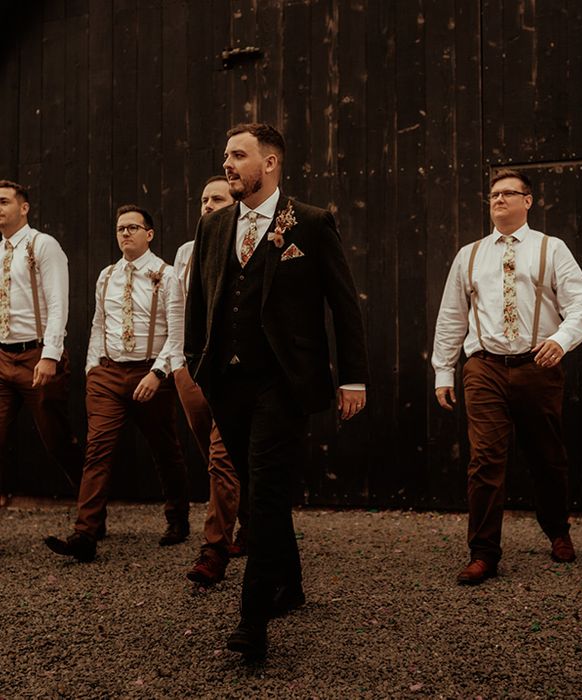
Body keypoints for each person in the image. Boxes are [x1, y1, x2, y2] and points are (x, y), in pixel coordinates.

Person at [185, 123, 368, 660]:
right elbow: (200, 301)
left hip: (283, 384)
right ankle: (289, 582)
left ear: (269, 164)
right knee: (257, 487)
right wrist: (200, 365)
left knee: (262, 497)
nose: (227, 163)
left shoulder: (309, 223)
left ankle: (252, 621)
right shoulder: (214, 227)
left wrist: (352, 377)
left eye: (238, 155)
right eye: (224, 155)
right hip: (227, 382)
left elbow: (344, 304)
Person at [432, 168, 582, 585]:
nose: (499, 200)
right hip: (483, 366)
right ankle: (483, 552)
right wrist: (442, 370)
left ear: (529, 201)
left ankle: (558, 531)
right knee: (484, 460)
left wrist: (561, 339)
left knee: (546, 456)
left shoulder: (551, 249)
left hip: (537, 366)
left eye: (508, 194)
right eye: (493, 195)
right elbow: (451, 316)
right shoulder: (469, 254)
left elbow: (580, 304)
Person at [45, 204, 190, 562]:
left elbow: (178, 333)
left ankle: (178, 519)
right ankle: (85, 534)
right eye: (121, 228)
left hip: (151, 372)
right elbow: (98, 324)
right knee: (98, 450)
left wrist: (158, 374)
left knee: (165, 448)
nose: (125, 233)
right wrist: (93, 366)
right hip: (108, 374)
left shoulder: (167, 274)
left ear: (149, 234)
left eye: (133, 228)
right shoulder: (106, 275)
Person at [173, 176, 248, 586]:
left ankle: (214, 548)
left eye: (215, 198)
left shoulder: (247, 243)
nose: (206, 205)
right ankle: (248, 518)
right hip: (189, 367)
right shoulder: (186, 252)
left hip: (233, 370)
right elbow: (176, 308)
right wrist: (174, 363)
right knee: (212, 452)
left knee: (222, 457)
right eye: (202, 199)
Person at [0, 180, 82, 507]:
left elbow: (58, 302)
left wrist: (49, 355)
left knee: (57, 441)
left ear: (24, 208)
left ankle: (92, 509)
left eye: (4, 202)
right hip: (3, 357)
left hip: (37, 356)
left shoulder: (42, 245)